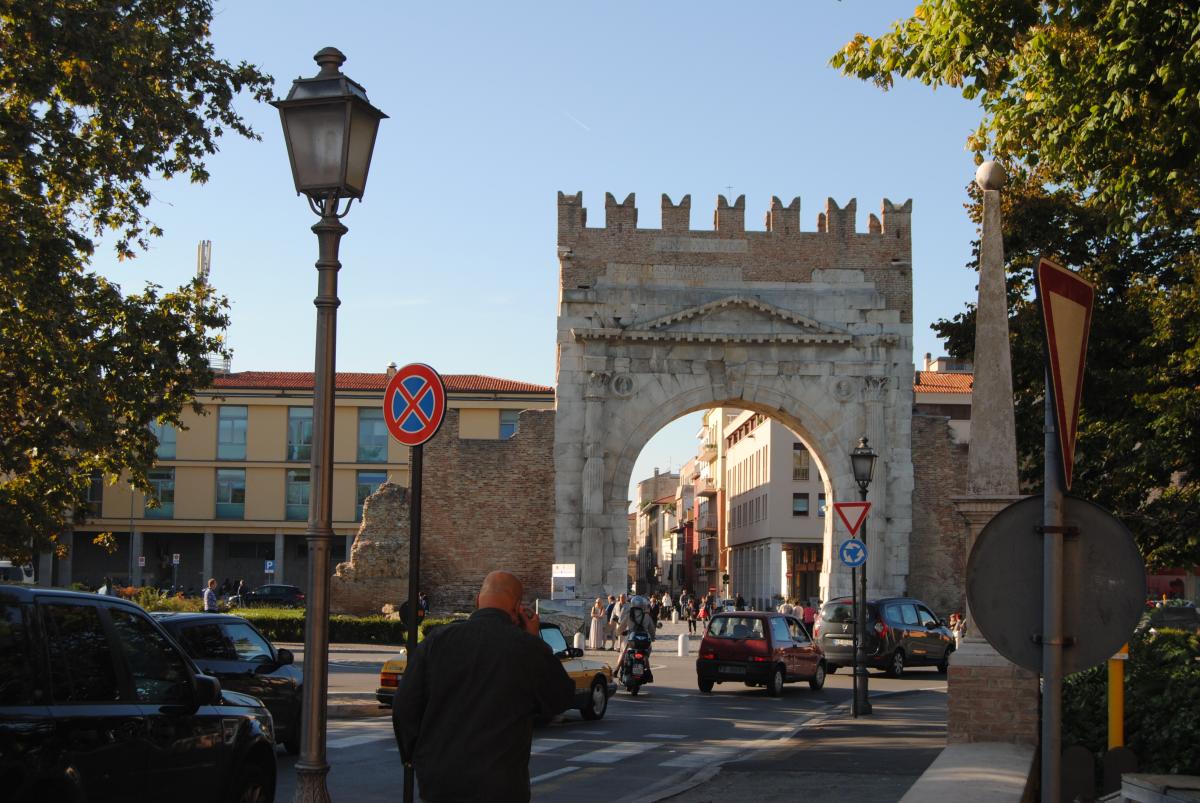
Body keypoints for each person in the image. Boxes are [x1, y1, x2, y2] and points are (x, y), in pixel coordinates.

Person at [392, 570, 574, 802]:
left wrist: (413, 757)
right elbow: (560, 698)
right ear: (517, 608)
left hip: (439, 780)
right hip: (499, 784)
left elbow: (404, 705)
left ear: (478, 600)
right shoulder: (526, 648)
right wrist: (535, 640)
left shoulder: (436, 641)